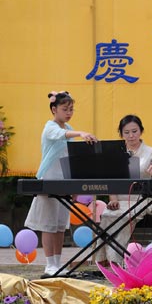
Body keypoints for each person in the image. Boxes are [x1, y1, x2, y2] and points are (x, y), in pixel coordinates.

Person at [24, 91, 98, 277]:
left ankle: (57, 263)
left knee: (59, 225)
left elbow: (70, 158)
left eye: (71, 109)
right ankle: (49, 264)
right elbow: (60, 135)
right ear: (54, 109)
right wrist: (81, 133)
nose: (69, 113)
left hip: (64, 181)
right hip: (49, 180)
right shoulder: (50, 127)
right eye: (65, 109)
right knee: (48, 225)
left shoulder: (69, 128)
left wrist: (73, 186)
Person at [96, 114, 152, 266]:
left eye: (134, 131)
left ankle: (114, 261)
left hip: (141, 199)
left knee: (123, 217)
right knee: (107, 215)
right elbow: (111, 178)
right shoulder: (116, 153)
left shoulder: (150, 151)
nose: (131, 136)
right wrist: (113, 199)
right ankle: (101, 260)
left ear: (141, 131)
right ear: (121, 134)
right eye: (126, 132)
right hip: (119, 199)